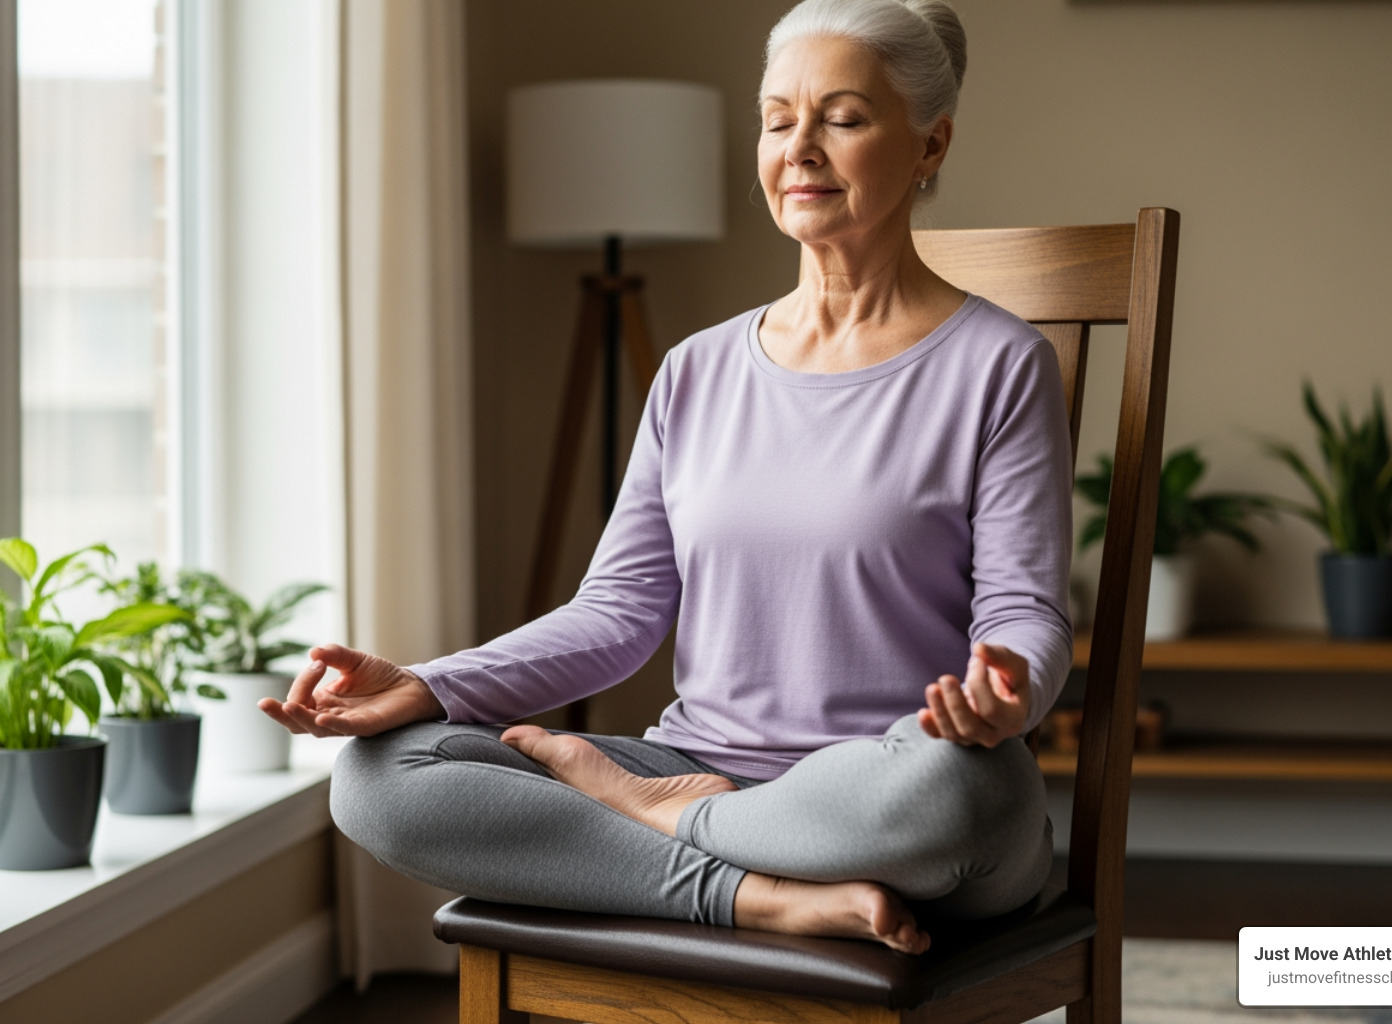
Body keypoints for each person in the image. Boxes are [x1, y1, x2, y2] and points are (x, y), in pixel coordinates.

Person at [260, 0, 1073, 956]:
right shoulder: (697, 370)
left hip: (890, 782)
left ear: (930, 145)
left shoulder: (999, 363)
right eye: (778, 120)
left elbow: (1025, 613)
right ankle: (760, 895)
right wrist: (431, 686)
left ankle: (671, 828)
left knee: (973, 793)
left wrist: (1007, 694)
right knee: (379, 777)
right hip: (696, 762)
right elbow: (617, 615)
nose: (800, 148)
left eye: (843, 119)